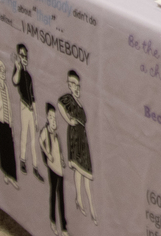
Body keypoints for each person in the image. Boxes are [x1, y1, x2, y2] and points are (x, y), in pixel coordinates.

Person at [58, 70, 95, 225]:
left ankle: (89, 205)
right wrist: (68, 119)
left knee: (85, 172)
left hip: (83, 140)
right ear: (69, 84)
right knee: (79, 169)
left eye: (77, 85)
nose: (76, 87)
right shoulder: (69, 99)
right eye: (73, 84)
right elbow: (60, 104)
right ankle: (80, 199)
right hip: (75, 137)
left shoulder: (79, 102)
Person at [12, 44, 44, 182]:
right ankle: (23, 160)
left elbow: (33, 97)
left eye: (25, 55)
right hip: (24, 106)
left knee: (33, 138)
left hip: (31, 108)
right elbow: (15, 81)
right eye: (22, 55)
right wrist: (18, 67)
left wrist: (36, 117)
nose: (24, 57)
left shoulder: (29, 76)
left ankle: (35, 167)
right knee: (24, 134)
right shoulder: (19, 72)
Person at [0, 54, 19, 190]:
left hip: (7, 120)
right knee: (3, 147)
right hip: (0, 119)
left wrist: (12, 122)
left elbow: (9, 101)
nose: (2, 71)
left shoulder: (6, 84)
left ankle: (12, 175)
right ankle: (7, 174)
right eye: (0, 68)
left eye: (3, 69)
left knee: (10, 148)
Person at [39, 103, 69, 235]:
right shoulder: (46, 131)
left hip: (59, 168)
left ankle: (64, 226)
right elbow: (40, 141)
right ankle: (52, 220)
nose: (53, 119)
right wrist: (48, 153)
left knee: (61, 196)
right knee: (53, 193)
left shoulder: (55, 131)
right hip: (52, 167)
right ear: (47, 117)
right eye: (50, 116)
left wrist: (61, 157)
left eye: (54, 116)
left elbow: (59, 145)